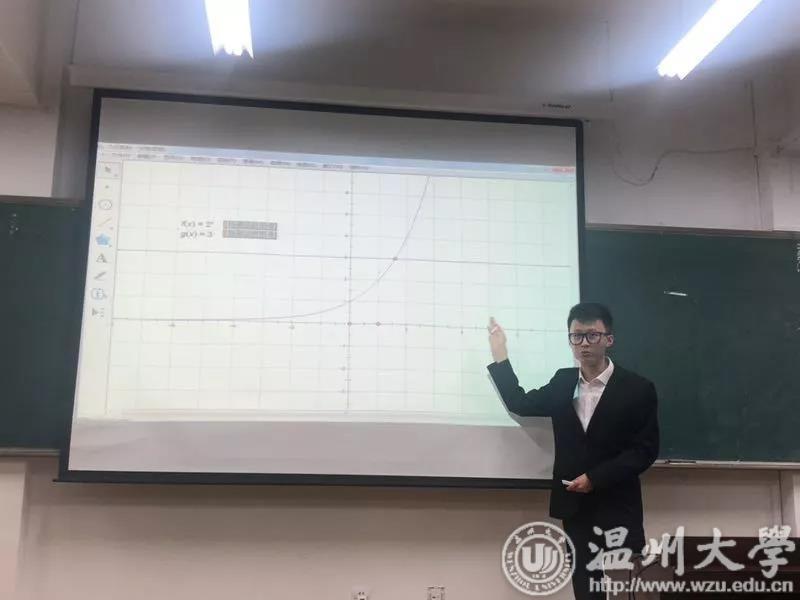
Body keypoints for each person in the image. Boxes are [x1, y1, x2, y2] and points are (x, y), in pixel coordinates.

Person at [487, 302, 659, 600]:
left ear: (609, 339)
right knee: (586, 590)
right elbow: (520, 403)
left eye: (592, 335)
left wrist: (596, 478)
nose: (584, 343)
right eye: (576, 336)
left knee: (625, 590)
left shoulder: (637, 388)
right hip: (576, 507)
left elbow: (644, 450)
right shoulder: (563, 381)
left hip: (619, 504)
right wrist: (500, 355)